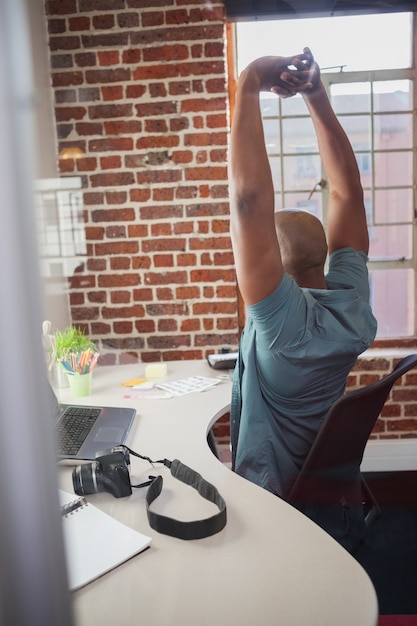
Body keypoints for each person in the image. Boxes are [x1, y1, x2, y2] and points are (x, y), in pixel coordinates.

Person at [229, 48, 377, 500]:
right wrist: (315, 95)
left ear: (275, 264)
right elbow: (348, 193)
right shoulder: (350, 302)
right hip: (322, 486)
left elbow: (248, 201)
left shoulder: (281, 326)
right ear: (323, 256)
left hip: (270, 496)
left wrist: (250, 81)